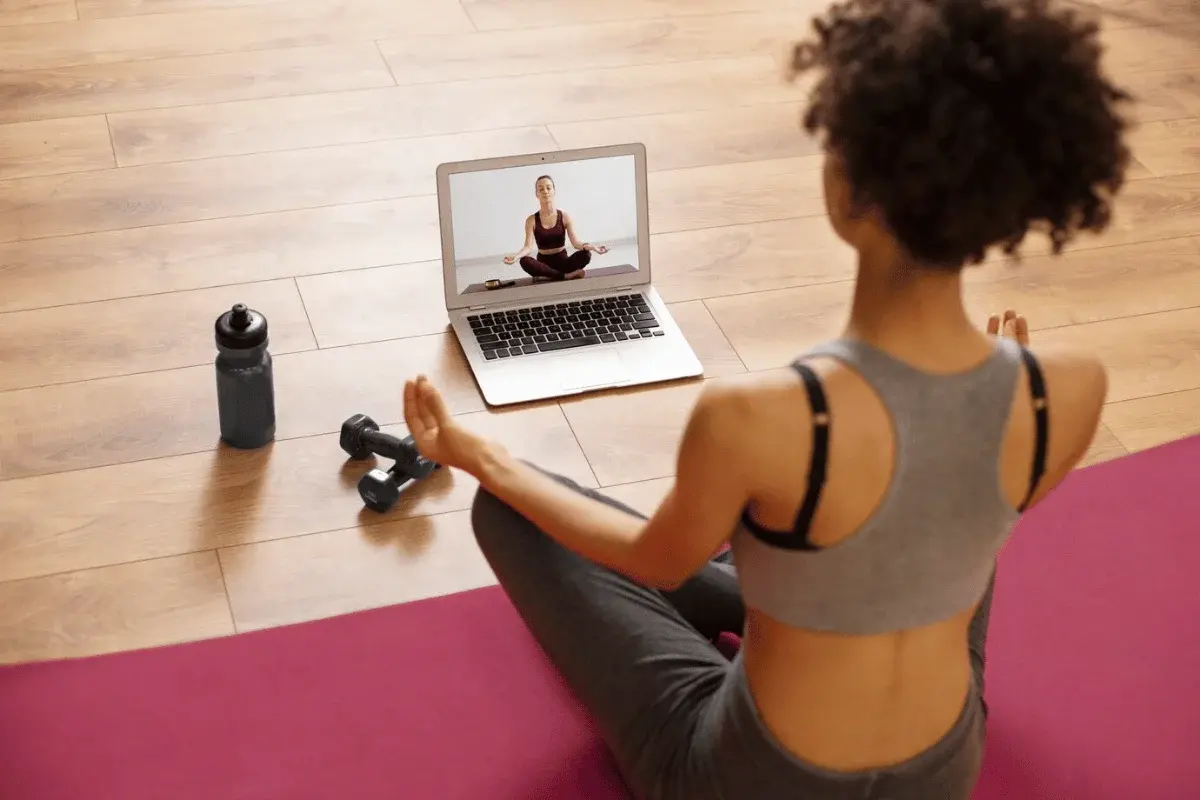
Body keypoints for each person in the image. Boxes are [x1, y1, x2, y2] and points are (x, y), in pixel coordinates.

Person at [402, 0, 1129, 797]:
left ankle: (752, 576)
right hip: (946, 768)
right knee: (948, 503)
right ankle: (765, 575)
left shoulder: (755, 418)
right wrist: (1003, 386)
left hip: (755, 780)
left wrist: (481, 456)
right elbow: (952, 525)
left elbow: (653, 561)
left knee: (513, 507)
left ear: (843, 187)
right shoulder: (1071, 388)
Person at [504, 174, 609, 280]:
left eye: (548, 188)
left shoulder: (564, 216)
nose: (545, 191)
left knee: (586, 255)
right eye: (541, 189)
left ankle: (547, 277)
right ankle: (564, 276)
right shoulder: (531, 220)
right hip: (543, 265)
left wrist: (593, 247)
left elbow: (576, 243)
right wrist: (516, 256)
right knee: (524, 261)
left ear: (554, 190)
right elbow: (528, 247)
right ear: (537, 194)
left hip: (564, 262)